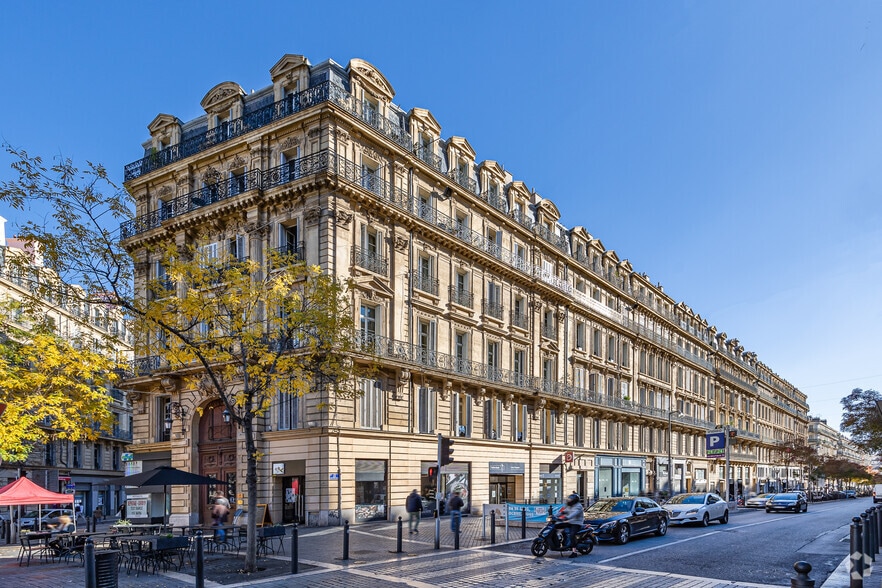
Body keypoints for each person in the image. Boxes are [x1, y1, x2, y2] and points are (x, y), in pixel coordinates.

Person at [561, 493, 584, 558]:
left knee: (572, 534)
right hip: (570, 522)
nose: (569, 500)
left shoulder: (578, 506)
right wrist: (554, 516)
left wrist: (567, 517)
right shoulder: (570, 506)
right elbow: (564, 511)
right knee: (560, 529)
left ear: (574, 500)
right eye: (569, 499)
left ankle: (574, 552)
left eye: (570, 499)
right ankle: (564, 543)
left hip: (577, 523)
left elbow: (574, 513)